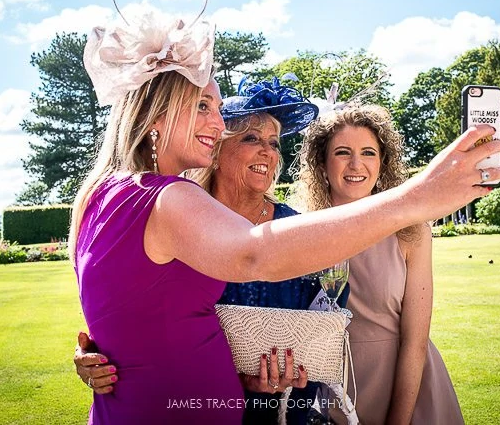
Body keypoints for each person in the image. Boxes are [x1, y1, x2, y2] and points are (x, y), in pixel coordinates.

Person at [72, 11, 500, 423]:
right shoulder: (169, 197)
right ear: (157, 114)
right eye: (204, 107)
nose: (217, 122)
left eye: (219, 109)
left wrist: (114, 352)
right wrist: (419, 196)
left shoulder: (100, 194)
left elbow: (151, 316)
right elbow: (254, 254)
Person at [75, 79, 347, 424]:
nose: (267, 150)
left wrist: (287, 372)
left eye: (274, 143)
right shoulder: (173, 208)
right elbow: (132, 311)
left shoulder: (294, 226)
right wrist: (97, 356)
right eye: (251, 138)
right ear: (218, 149)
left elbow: (327, 311)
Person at [295, 105, 487, 425]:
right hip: (324, 393)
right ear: (322, 164)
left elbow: (416, 341)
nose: (357, 164)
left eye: (369, 152)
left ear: (382, 163)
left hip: (406, 392)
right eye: (343, 152)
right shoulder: (298, 231)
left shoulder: (412, 232)